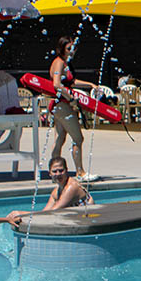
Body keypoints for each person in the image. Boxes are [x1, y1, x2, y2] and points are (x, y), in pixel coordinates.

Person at [50, 36, 98, 182]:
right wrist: (71, 98)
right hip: (62, 104)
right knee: (78, 138)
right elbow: (57, 84)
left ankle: (53, 172)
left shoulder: (65, 63)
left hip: (60, 105)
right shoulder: (59, 63)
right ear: (62, 48)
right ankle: (80, 172)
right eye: (69, 48)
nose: (72, 51)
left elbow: (72, 81)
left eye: (74, 48)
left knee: (60, 138)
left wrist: (90, 84)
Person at [7, 157, 95, 224]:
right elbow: (44, 213)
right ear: (49, 173)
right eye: (54, 171)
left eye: (61, 170)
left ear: (66, 170)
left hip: (90, 223)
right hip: (77, 222)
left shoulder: (72, 187)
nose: (58, 174)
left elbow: (52, 212)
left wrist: (21, 213)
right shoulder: (56, 192)